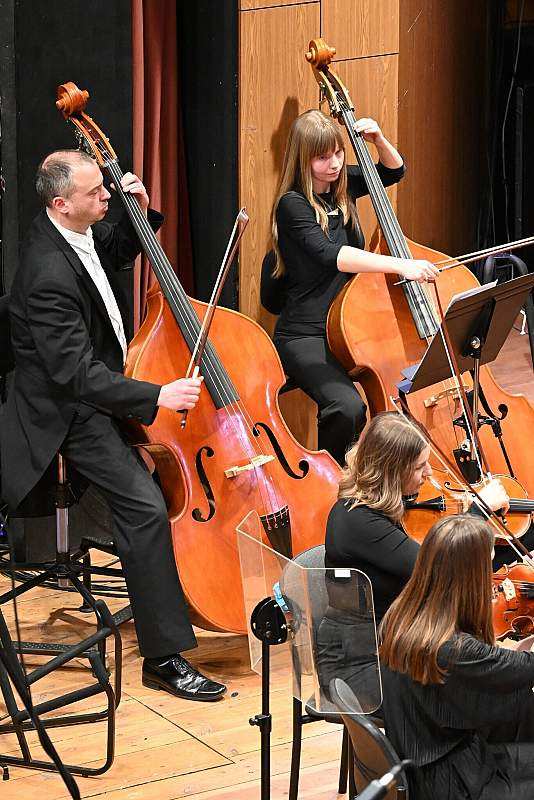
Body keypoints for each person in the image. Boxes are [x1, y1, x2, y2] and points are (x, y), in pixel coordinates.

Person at [1, 149, 226, 702]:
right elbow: (75, 376)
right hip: (67, 411)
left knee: (150, 498)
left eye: (106, 188)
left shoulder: (72, 232)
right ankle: (165, 658)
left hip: (97, 389)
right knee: (145, 507)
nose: (108, 195)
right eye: (96, 193)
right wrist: (156, 395)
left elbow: (111, 254)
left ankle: (165, 602)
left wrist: (138, 216)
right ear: (61, 203)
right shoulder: (46, 273)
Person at [268, 109, 439, 465]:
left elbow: (393, 171)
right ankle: (333, 481)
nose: (333, 164)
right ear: (303, 159)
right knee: (347, 409)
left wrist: (377, 140)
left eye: (338, 153)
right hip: (306, 333)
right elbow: (333, 255)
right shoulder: (292, 205)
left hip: (350, 327)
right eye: (322, 157)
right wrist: (402, 265)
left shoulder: (341, 185)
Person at [379, 514, 534, 799]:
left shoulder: (402, 615)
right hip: (455, 782)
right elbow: (523, 668)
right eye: (488, 567)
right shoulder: (452, 649)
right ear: (470, 578)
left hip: (430, 760)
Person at [325, 412, 509, 624]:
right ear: (391, 473)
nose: (429, 473)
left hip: (409, 623)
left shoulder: (385, 499)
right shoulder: (357, 521)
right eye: (420, 466)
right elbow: (443, 568)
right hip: (373, 644)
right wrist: (478, 512)